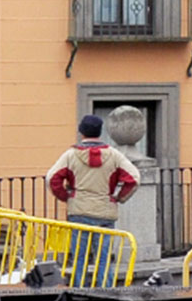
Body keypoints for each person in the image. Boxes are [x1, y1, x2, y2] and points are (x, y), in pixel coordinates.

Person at [46, 115, 139, 285]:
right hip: (105, 212)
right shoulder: (114, 155)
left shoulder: (71, 155)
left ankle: (79, 291)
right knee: (104, 259)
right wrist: (120, 197)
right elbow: (133, 178)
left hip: (79, 211)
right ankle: (107, 292)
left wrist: (66, 197)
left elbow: (52, 178)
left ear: (81, 132)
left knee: (79, 258)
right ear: (100, 132)